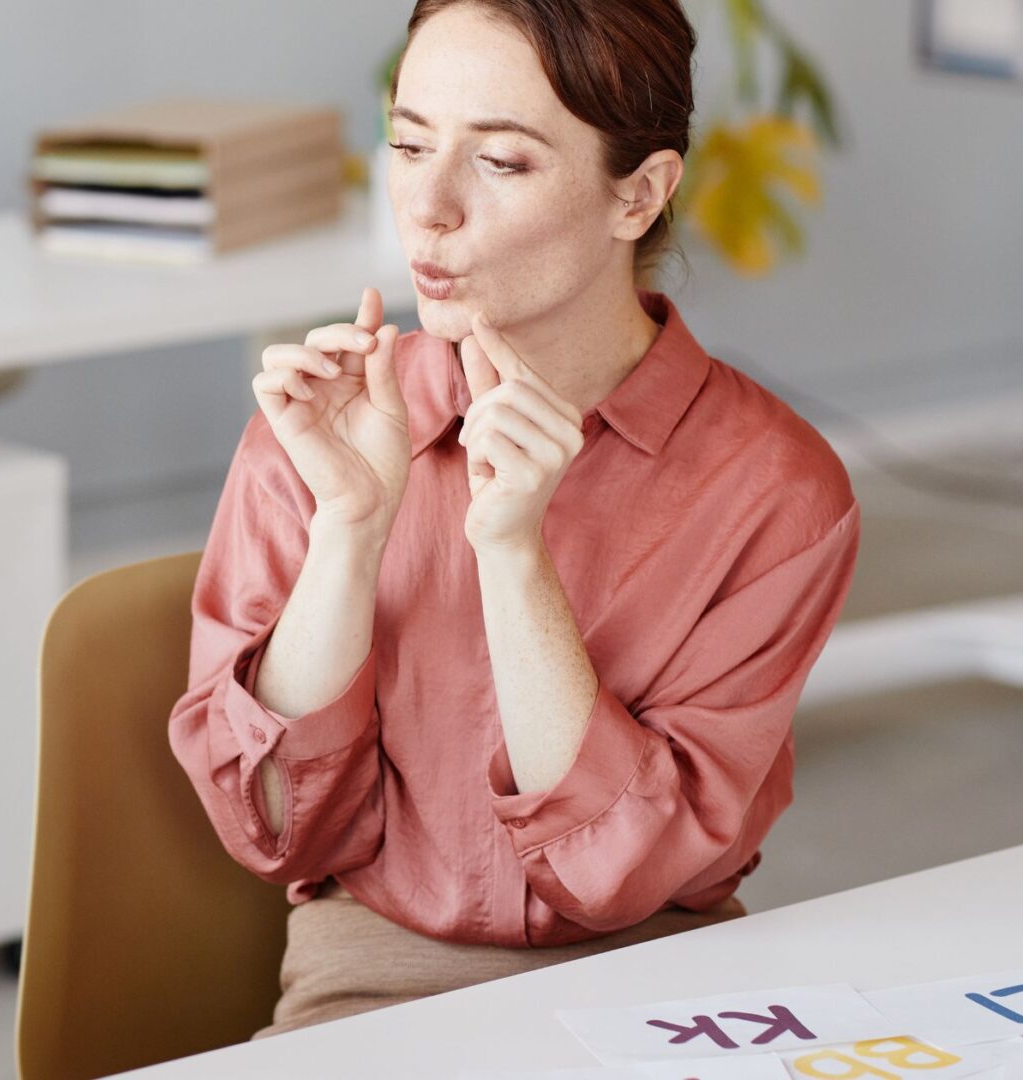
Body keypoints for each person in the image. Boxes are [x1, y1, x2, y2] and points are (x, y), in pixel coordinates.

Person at [169, 0, 861, 1037]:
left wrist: (513, 554)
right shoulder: (316, 430)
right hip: (372, 988)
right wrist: (350, 531)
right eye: (407, 144)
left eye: (501, 162)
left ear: (639, 193)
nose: (429, 207)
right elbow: (276, 829)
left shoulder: (775, 490)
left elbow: (615, 877)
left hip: (666, 986)